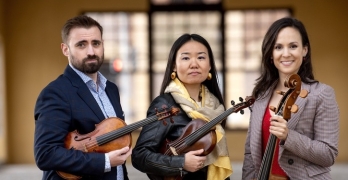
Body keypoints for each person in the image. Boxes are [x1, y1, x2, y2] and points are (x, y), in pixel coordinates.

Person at [34, 15, 132, 180]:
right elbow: (46, 154)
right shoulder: (55, 93)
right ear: (66, 49)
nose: (91, 52)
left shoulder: (111, 89)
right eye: (81, 45)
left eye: (96, 43)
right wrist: (104, 161)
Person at [242, 17, 339, 180]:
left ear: (304, 50)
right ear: (271, 54)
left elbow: (328, 154)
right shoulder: (261, 95)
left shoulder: (322, 94)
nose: (286, 54)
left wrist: (289, 136)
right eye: (278, 47)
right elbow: (251, 153)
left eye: (293, 46)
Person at [131, 34, 232, 180]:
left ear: (210, 65)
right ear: (174, 65)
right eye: (185, 58)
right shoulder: (164, 105)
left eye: (201, 57)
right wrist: (181, 163)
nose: (194, 64)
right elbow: (140, 155)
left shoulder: (215, 107)